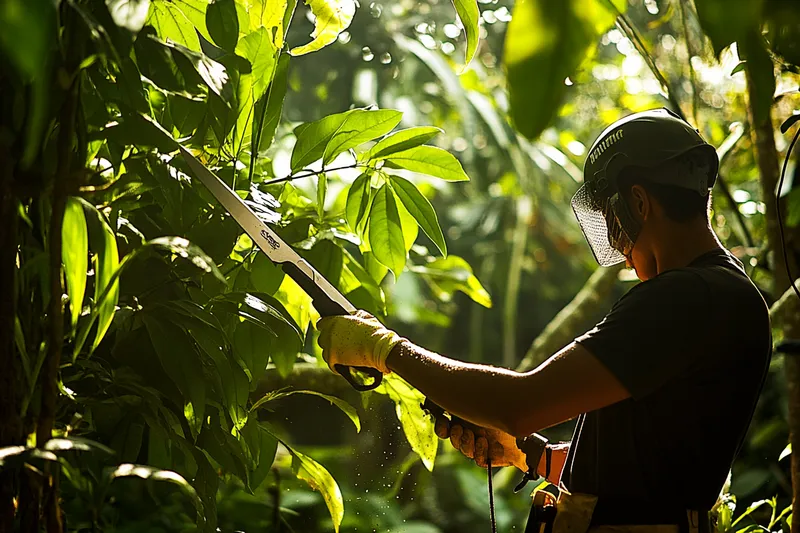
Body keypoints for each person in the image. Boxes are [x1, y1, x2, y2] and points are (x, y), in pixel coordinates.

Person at [317, 108, 772, 532]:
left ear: (638, 202)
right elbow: (642, 473)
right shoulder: (720, 293)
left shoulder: (684, 297)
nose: (621, 251)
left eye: (613, 221)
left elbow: (520, 404)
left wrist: (383, 349)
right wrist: (525, 453)